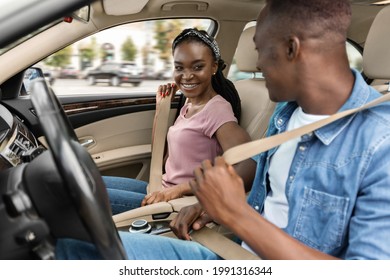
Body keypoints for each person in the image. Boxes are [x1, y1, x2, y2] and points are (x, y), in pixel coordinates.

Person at [56, 0, 390, 259]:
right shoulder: (288, 114)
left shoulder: (380, 144)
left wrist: (236, 213)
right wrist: (207, 205)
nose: (257, 64)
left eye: (261, 49)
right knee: (70, 248)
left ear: (292, 49)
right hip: (232, 253)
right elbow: (264, 198)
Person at [103, 28, 252, 214]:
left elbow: (249, 164)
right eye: (179, 67)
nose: (187, 76)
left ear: (214, 67)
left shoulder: (217, 109)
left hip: (178, 203)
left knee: (81, 193)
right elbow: (167, 159)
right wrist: (162, 109)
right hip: (161, 188)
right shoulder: (189, 104)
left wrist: (179, 190)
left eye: (198, 67)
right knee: (88, 181)